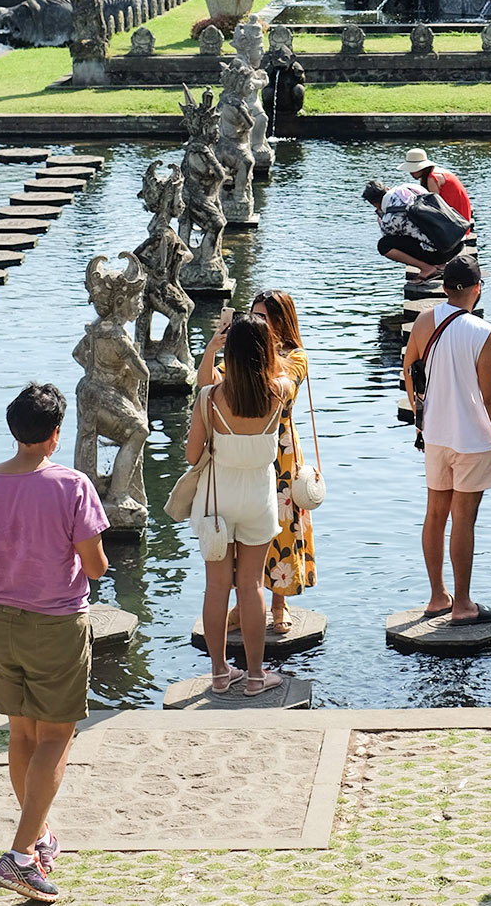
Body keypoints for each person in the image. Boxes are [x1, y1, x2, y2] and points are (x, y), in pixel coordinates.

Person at [0, 383, 109, 902]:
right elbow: (95, 564)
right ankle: (18, 857)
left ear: (15, 430)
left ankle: (39, 837)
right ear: (55, 435)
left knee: (22, 733)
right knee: (58, 736)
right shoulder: (72, 485)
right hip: (55, 625)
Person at [402, 254, 491, 624]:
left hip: (435, 435)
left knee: (434, 514)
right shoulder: (482, 332)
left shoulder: (424, 322)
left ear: (443, 287)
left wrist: (422, 417)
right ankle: (463, 605)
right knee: (463, 521)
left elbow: (409, 371)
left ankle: (438, 596)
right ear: (477, 289)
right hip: (471, 439)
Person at [189, 310, 290, 697]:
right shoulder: (279, 390)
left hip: (218, 498)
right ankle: (254, 677)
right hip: (258, 499)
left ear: (229, 352)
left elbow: (191, 454)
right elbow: (278, 366)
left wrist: (214, 348)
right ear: (265, 351)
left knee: (217, 589)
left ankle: (218, 673)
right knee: (250, 587)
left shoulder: (211, 398)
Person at [251, 290, 314, 633]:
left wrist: (258, 355)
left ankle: (279, 602)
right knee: (244, 526)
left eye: (265, 319)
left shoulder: (296, 355)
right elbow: (213, 384)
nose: (260, 325)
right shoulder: (241, 353)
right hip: (243, 446)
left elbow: (283, 391)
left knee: (282, 523)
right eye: (255, 318)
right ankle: (246, 602)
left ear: (280, 322)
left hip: (282, 449)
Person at [363, 177, 469, 278]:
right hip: (458, 240)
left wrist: (381, 219)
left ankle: (427, 268)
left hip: (444, 253)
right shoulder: (409, 188)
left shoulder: (390, 217)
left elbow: (388, 236)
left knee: (384, 245)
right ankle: (440, 262)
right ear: (387, 188)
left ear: (375, 204)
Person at [401, 147, 473, 222]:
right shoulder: (434, 172)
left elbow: (435, 205)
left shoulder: (432, 178)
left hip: (458, 220)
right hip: (459, 215)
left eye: (413, 170)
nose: (410, 173)